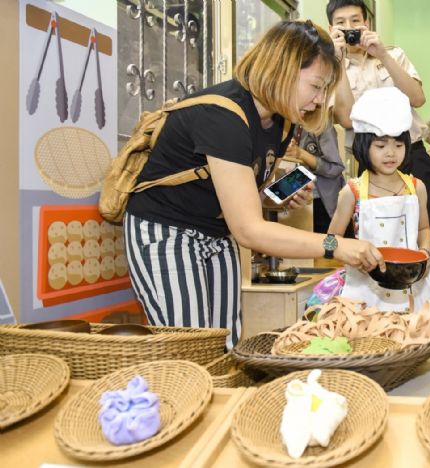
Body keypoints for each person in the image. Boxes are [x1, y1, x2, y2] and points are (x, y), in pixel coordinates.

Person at [123, 20, 385, 350]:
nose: (319, 100)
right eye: (316, 87)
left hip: (217, 232)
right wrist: (335, 245)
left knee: (226, 344)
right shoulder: (223, 116)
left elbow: (249, 196)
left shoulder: (282, 122)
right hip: (168, 229)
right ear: (283, 69)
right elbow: (248, 229)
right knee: (188, 347)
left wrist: (277, 198)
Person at [326, 0, 430, 242]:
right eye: (341, 23)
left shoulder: (393, 54)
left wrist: (381, 54)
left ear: (367, 23)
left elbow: (418, 98)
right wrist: (338, 61)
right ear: (331, 29)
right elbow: (346, 119)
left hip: (411, 154)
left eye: (355, 20)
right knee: (374, 236)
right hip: (370, 163)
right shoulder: (331, 68)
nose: (350, 27)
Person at [328, 87, 430, 312]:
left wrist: (425, 253)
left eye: (399, 145)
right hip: (365, 290)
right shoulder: (351, 192)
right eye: (381, 146)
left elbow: (424, 229)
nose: (391, 153)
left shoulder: (416, 187)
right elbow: (330, 241)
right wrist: (350, 254)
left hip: (413, 286)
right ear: (364, 146)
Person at [284, 122, 348, 234]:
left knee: (327, 242)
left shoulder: (323, 126)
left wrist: (301, 154)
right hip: (297, 199)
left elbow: (335, 168)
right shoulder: (289, 123)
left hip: (322, 203)